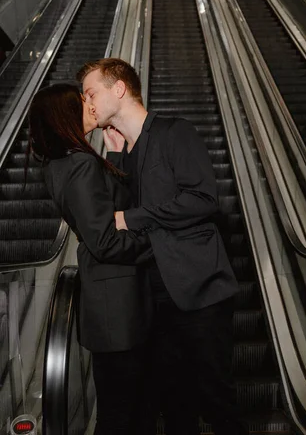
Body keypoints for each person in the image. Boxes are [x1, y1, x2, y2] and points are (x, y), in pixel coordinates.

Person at [77, 57, 247, 435]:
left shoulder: (175, 132)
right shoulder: (124, 151)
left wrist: (133, 218)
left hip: (199, 292)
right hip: (151, 299)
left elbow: (203, 198)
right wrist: (116, 158)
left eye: (91, 93)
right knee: (173, 404)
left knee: (217, 399)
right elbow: (114, 219)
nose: (87, 104)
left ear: (118, 89)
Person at [28, 83, 153, 435]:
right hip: (118, 307)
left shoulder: (60, 164)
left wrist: (113, 159)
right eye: (83, 102)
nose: (92, 106)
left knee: (121, 409)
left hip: (108, 305)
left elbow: (98, 211)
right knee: (122, 413)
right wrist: (158, 242)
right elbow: (104, 242)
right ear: (65, 114)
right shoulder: (80, 164)